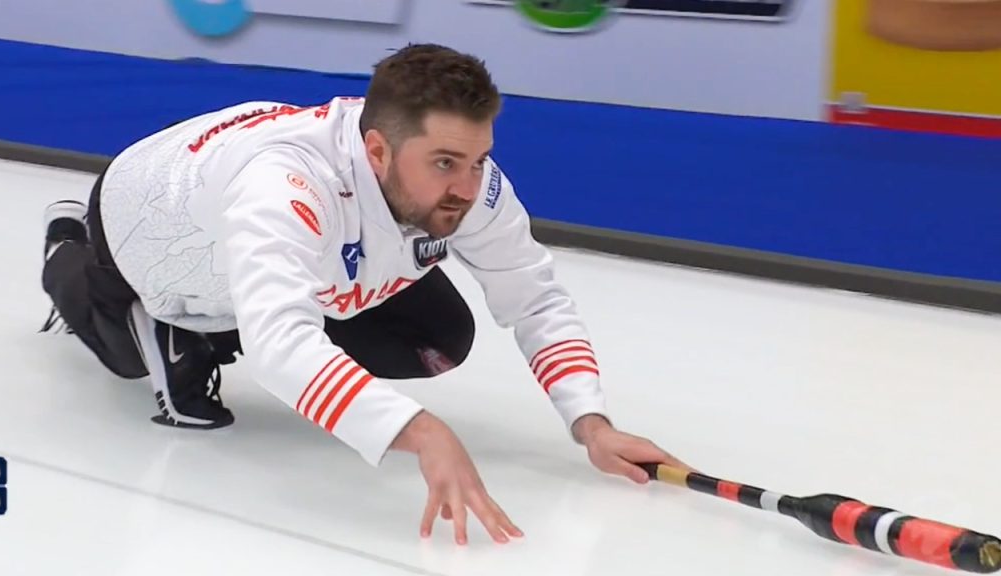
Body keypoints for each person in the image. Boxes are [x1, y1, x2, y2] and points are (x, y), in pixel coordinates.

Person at [39, 43, 691, 544]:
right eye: (444, 163)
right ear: (377, 151)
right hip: (141, 228)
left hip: (278, 248)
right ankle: (84, 258)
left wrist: (592, 424)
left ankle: (212, 321)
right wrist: (417, 429)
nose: (468, 188)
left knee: (437, 339)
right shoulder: (283, 186)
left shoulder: (467, 182)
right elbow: (279, 346)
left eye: (478, 159)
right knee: (125, 362)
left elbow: (536, 299)